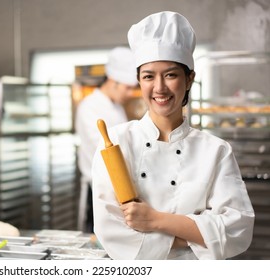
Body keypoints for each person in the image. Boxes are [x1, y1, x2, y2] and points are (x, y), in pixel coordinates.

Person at [92, 11, 255, 259]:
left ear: (189, 79)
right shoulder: (115, 143)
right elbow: (110, 231)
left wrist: (155, 220)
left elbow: (238, 229)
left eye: (170, 75)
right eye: (148, 76)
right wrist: (196, 235)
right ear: (138, 80)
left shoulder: (216, 150)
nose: (159, 88)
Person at [75, 46, 138, 232]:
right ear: (113, 81)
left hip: (121, 189)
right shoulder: (89, 107)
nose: (130, 94)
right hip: (98, 190)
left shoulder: (117, 107)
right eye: (128, 88)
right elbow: (104, 151)